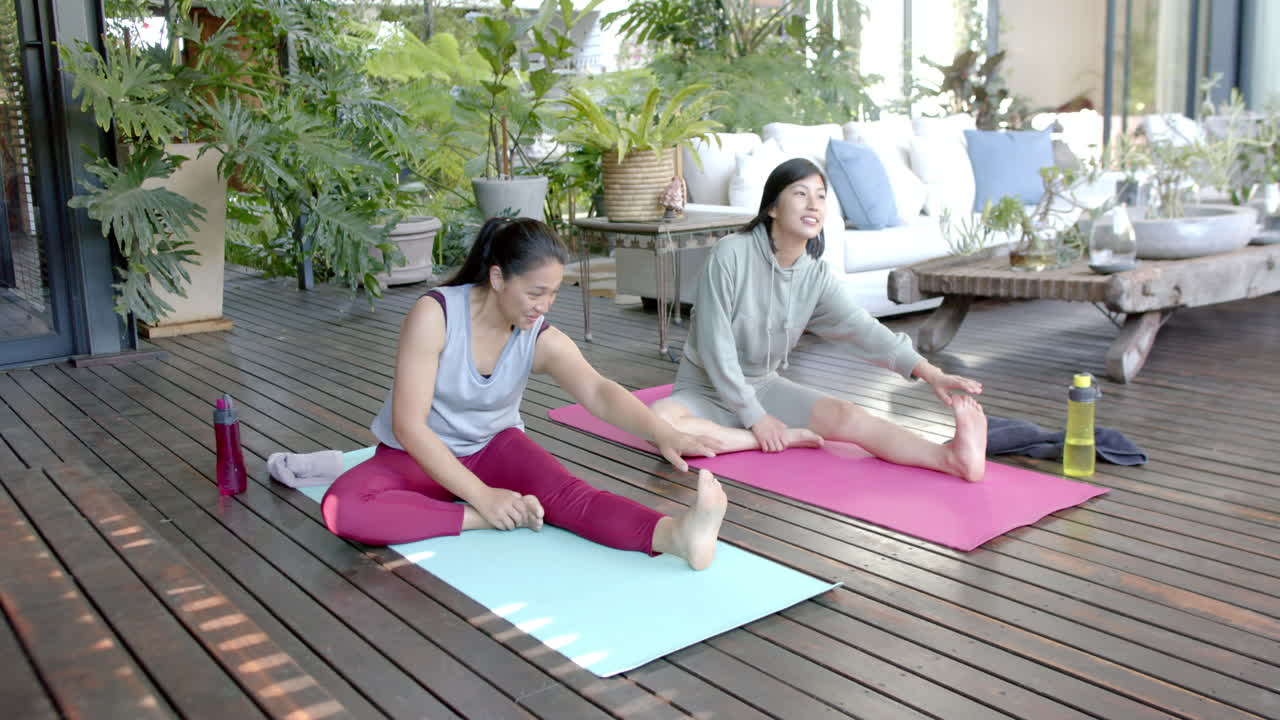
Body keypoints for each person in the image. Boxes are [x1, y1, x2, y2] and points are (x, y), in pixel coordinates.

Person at [321, 218, 728, 570]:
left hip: (493, 448)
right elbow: (408, 426)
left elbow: (598, 391)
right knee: (345, 507)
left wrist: (661, 432)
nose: (544, 307)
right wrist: (484, 501)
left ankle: (678, 535)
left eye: (553, 293)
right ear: (497, 278)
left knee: (574, 498)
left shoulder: (537, 336)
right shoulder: (436, 316)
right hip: (417, 458)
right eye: (535, 293)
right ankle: (478, 517)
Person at [650, 158, 989, 483]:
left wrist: (931, 373)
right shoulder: (730, 254)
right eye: (800, 193)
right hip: (703, 391)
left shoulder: (815, 276)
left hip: (763, 386)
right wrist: (757, 421)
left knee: (848, 415)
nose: (813, 204)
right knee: (660, 422)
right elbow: (716, 348)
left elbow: (861, 328)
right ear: (772, 207)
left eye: (821, 196)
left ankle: (952, 459)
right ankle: (769, 437)